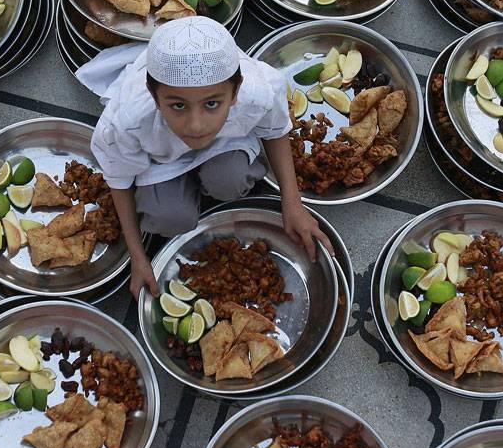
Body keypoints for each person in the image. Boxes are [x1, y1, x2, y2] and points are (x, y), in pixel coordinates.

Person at [79, 16, 334, 298]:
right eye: (178, 106)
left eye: (212, 104)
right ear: (154, 95)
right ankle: (182, 194)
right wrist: (138, 257)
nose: (196, 126)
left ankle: (209, 180)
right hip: (160, 159)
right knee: (170, 219)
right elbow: (120, 180)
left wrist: (292, 202)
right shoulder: (128, 121)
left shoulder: (257, 93)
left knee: (230, 181)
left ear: (235, 92)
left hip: (225, 142)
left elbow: (276, 131)